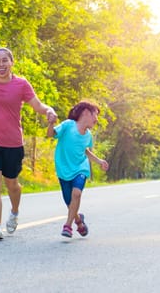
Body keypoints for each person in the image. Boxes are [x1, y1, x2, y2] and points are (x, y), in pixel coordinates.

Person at [0, 47, 57, 240]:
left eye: (5, 61)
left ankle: (15, 211)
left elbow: (37, 105)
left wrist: (49, 111)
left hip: (12, 143)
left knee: (12, 184)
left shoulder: (21, 85)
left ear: (12, 63)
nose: (1, 64)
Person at [47, 101, 109, 238]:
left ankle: (67, 226)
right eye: (95, 115)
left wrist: (99, 161)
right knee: (70, 202)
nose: (96, 120)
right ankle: (79, 221)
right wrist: (51, 123)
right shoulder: (68, 125)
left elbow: (85, 151)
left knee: (76, 194)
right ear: (86, 112)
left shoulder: (88, 135)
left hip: (81, 168)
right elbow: (51, 134)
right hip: (63, 169)